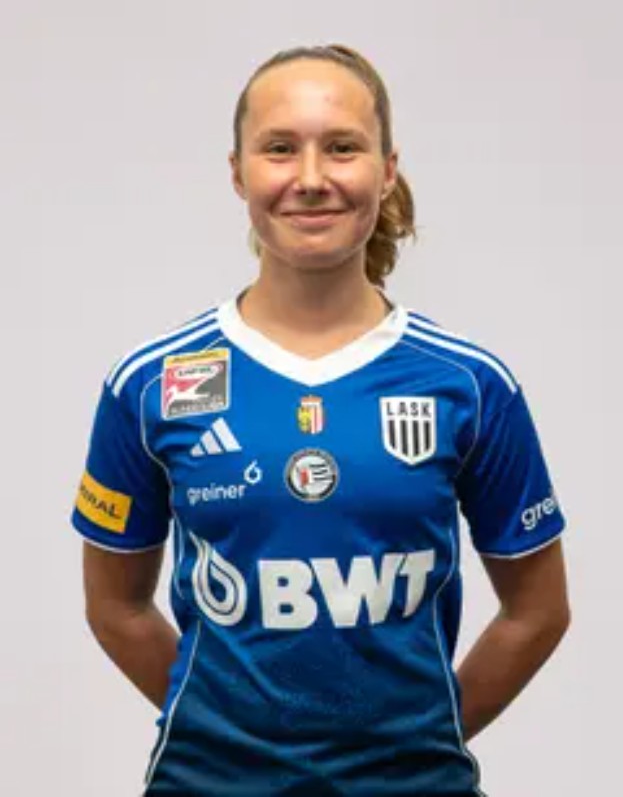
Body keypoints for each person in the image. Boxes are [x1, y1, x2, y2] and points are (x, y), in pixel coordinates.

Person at [72, 43, 570, 796]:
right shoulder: (151, 383)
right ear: (238, 172)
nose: (310, 178)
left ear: (387, 169)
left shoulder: (468, 383)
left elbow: (538, 611)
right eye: (279, 149)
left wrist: (416, 744)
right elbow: (114, 605)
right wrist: (221, 730)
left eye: (342, 147)